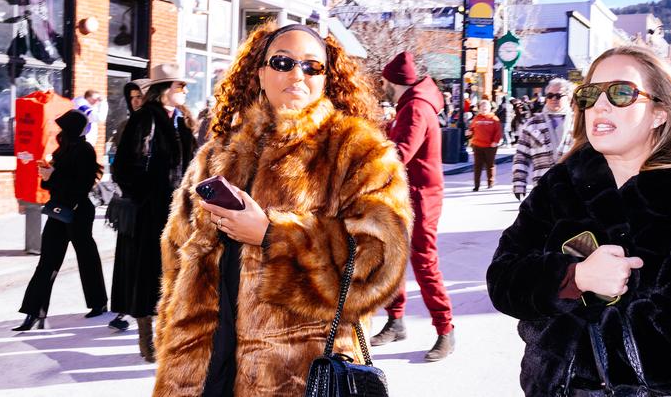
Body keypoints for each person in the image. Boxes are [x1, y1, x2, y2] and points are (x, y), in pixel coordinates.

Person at [152, 24, 412, 396]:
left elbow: (381, 263)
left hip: (298, 372)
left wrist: (273, 237)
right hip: (204, 365)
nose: (297, 74)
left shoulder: (358, 153)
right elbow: (177, 261)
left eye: (312, 66)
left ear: (327, 77)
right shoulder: (217, 153)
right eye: (283, 62)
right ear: (261, 73)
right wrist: (171, 344)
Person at [487, 46, 671, 396]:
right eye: (590, 94)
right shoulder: (559, 185)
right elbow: (503, 281)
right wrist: (574, 277)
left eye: (622, 92)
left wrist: (569, 338)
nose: (600, 105)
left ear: (659, 112)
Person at [371, 51, 456, 362]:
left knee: (424, 264)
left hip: (421, 198)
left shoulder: (417, 108)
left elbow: (401, 152)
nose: (382, 86)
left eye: (384, 81)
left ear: (395, 82)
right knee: (393, 259)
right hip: (407, 196)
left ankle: (446, 330)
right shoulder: (410, 106)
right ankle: (396, 322)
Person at [112, 63, 197, 362]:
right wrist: (148, 196)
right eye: (179, 86)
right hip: (153, 212)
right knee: (149, 274)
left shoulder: (183, 121)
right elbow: (124, 167)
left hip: (180, 211)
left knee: (175, 273)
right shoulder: (146, 119)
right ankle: (147, 339)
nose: (184, 91)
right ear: (163, 90)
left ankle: (170, 335)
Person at [13, 110, 107, 331]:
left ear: (73, 128)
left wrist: (54, 176)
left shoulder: (84, 150)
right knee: (47, 261)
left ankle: (98, 302)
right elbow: (52, 184)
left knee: (86, 257)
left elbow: (82, 185)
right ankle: (34, 312)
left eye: (64, 127)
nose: (60, 131)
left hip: (78, 211)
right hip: (58, 210)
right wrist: (46, 175)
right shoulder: (62, 149)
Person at [106, 79, 146, 332]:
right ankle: (124, 307)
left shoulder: (172, 123)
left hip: (155, 204)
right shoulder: (125, 126)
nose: (136, 102)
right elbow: (116, 161)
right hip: (129, 203)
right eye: (132, 98)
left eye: (140, 97)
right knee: (127, 256)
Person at [511, 78, 574, 201]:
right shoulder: (533, 123)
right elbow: (521, 156)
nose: (553, 99)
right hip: (543, 187)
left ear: (569, 97)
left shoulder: (578, 123)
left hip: (572, 188)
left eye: (558, 96)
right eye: (550, 96)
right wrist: (519, 183)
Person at [467, 99, 502, 191]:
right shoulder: (476, 119)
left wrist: (495, 141)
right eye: (482, 107)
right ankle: (476, 185)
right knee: (477, 166)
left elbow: (498, 132)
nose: (484, 109)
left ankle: (490, 183)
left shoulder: (494, 119)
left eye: (486, 108)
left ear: (490, 108)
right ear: (479, 108)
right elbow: (471, 130)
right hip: (477, 145)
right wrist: (469, 132)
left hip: (490, 146)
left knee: (490, 165)